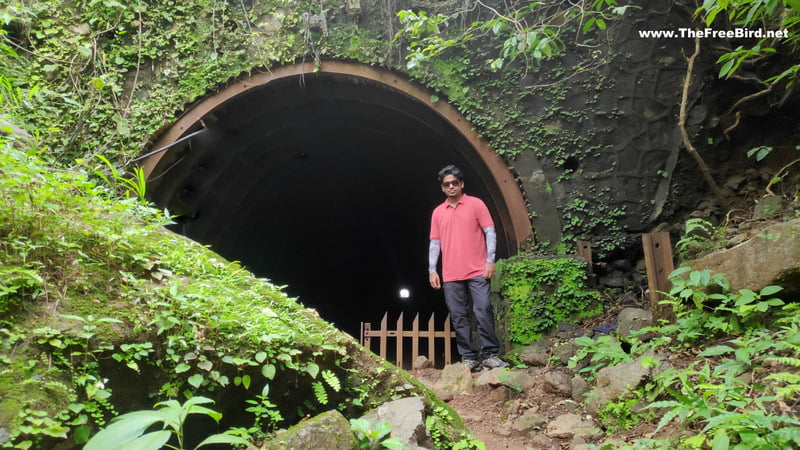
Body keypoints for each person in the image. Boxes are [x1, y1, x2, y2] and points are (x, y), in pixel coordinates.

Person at [428, 165, 509, 372]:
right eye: (447, 184)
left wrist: (490, 260)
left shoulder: (476, 204)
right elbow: (435, 243)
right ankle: (468, 357)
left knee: (482, 309)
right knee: (458, 315)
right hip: (450, 272)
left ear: (462, 184)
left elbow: (490, 232)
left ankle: (490, 354)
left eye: (455, 182)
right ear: (442, 188)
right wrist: (432, 269)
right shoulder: (438, 212)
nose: (451, 186)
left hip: (477, 270)